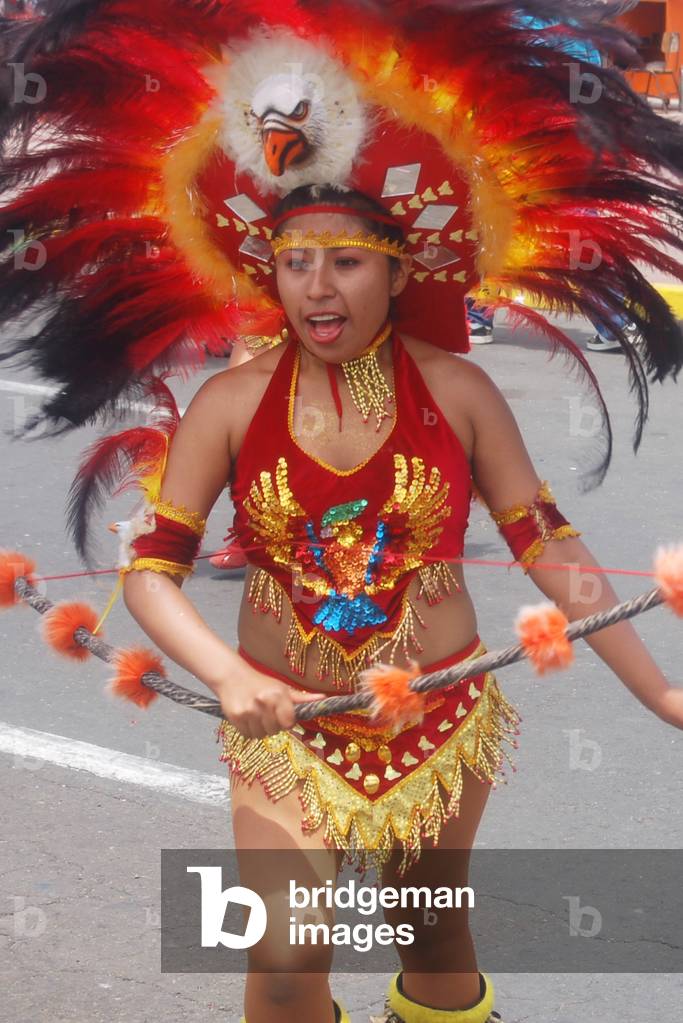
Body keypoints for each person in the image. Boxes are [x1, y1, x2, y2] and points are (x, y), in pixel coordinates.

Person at [2, 5, 683, 1023]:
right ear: (266, 272)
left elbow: (548, 542)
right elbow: (150, 571)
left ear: (399, 269)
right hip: (284, 723)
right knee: (282, 957)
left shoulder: (459, 390)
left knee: (430, 929)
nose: (317, 286)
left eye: (348, 260)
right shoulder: (228, 403)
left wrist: (662, 695)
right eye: (293, 261)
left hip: (436, 718)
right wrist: (229, 675)